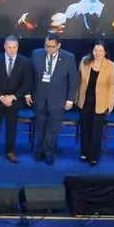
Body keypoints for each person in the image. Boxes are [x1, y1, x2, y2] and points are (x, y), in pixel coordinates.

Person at [26, 33, 77, 165]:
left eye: (52, 47)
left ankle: (49, 152)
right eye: (46, 46)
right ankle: (39, 150)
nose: (49, 49)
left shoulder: (68, 58)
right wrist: (27, 93)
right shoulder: (36, 54)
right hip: (39, 97)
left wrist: (70, 99)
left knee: (53, 129)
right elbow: (30, 75)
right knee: (40, 126)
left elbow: (73, 80)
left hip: (58, 99)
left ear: (59, 46)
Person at [0, 35, 31, 163]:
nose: (11, 50)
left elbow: (26, 83)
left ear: (18, 47)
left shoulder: (25, 61)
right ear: (5, 47)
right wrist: (1, 96)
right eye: (9, 47)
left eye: (14, 47)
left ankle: (10, 151)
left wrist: (12, 97)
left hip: (14, 101)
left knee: (12, 127)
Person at [76, 41, 114, 166]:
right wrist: (75, 97)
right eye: (96, 50)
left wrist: (111, 104)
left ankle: (93, 156)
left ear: (105, 52)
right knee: (85, 128)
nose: (98, 53)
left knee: (96, 130)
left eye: (100, 51)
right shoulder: (85, 61)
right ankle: (84, 153)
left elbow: (112, 86)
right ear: (92, 51)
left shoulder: (110, 65)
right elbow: (78, 81)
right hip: (85, 101)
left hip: (101, 102)